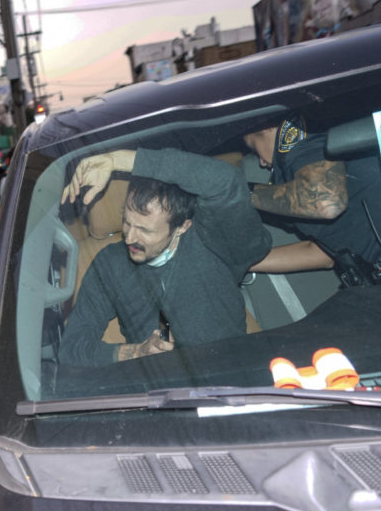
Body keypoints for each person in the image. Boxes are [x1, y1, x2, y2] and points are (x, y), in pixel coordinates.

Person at [59, 147, 271, 366]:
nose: (130, 238)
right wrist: (133, 353)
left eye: (145, 230)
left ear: (182, 227)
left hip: (234, 372)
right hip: (160, 383)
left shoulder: (216, 240)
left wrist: (116, 160)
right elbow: (71, 348)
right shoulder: (110, 264)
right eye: (127, 222)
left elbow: (226, 181)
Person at [245, 116, 381, 276]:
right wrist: (244, 263)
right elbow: (325, 254)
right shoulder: (314, 163)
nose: (262, 163)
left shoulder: (302, 134)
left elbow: (324, 202)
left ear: (267, 126)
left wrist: (241, 191)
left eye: (255, 150)